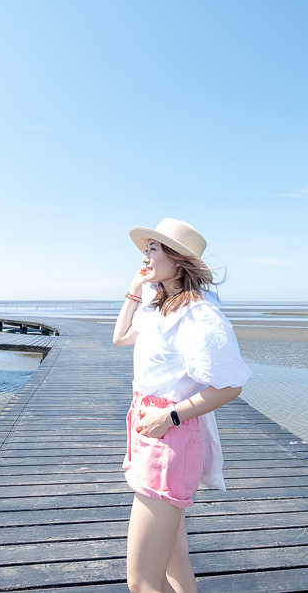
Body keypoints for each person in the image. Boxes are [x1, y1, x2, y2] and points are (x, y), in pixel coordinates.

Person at [112, 218, 252, 593]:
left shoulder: (200, 316)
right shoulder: (160, 305)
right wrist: (134, 288)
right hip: (148, 428)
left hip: (167, 436)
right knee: (176, 563)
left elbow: (230, 386)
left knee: (142, 583)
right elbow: (120, 337)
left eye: (153, 249)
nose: (145, 256)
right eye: (146, 249)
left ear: (177, 258)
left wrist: (170, 414)